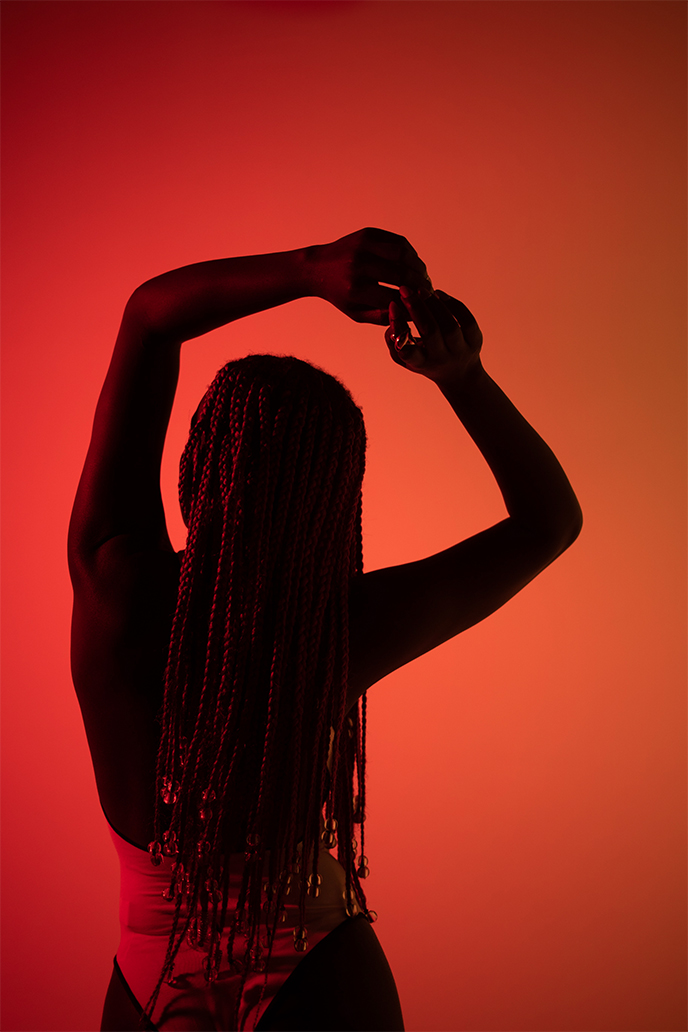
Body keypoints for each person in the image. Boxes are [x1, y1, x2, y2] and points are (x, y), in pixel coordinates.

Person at [68, 227, 582, 1032]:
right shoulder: (340, 630)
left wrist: (308, 271)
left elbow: (148, 316)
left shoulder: (115, 584)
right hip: (316, 961)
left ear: (196, 465)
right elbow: (548, 521)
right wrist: (461, 375)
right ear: (337, 501)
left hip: (151, 966)